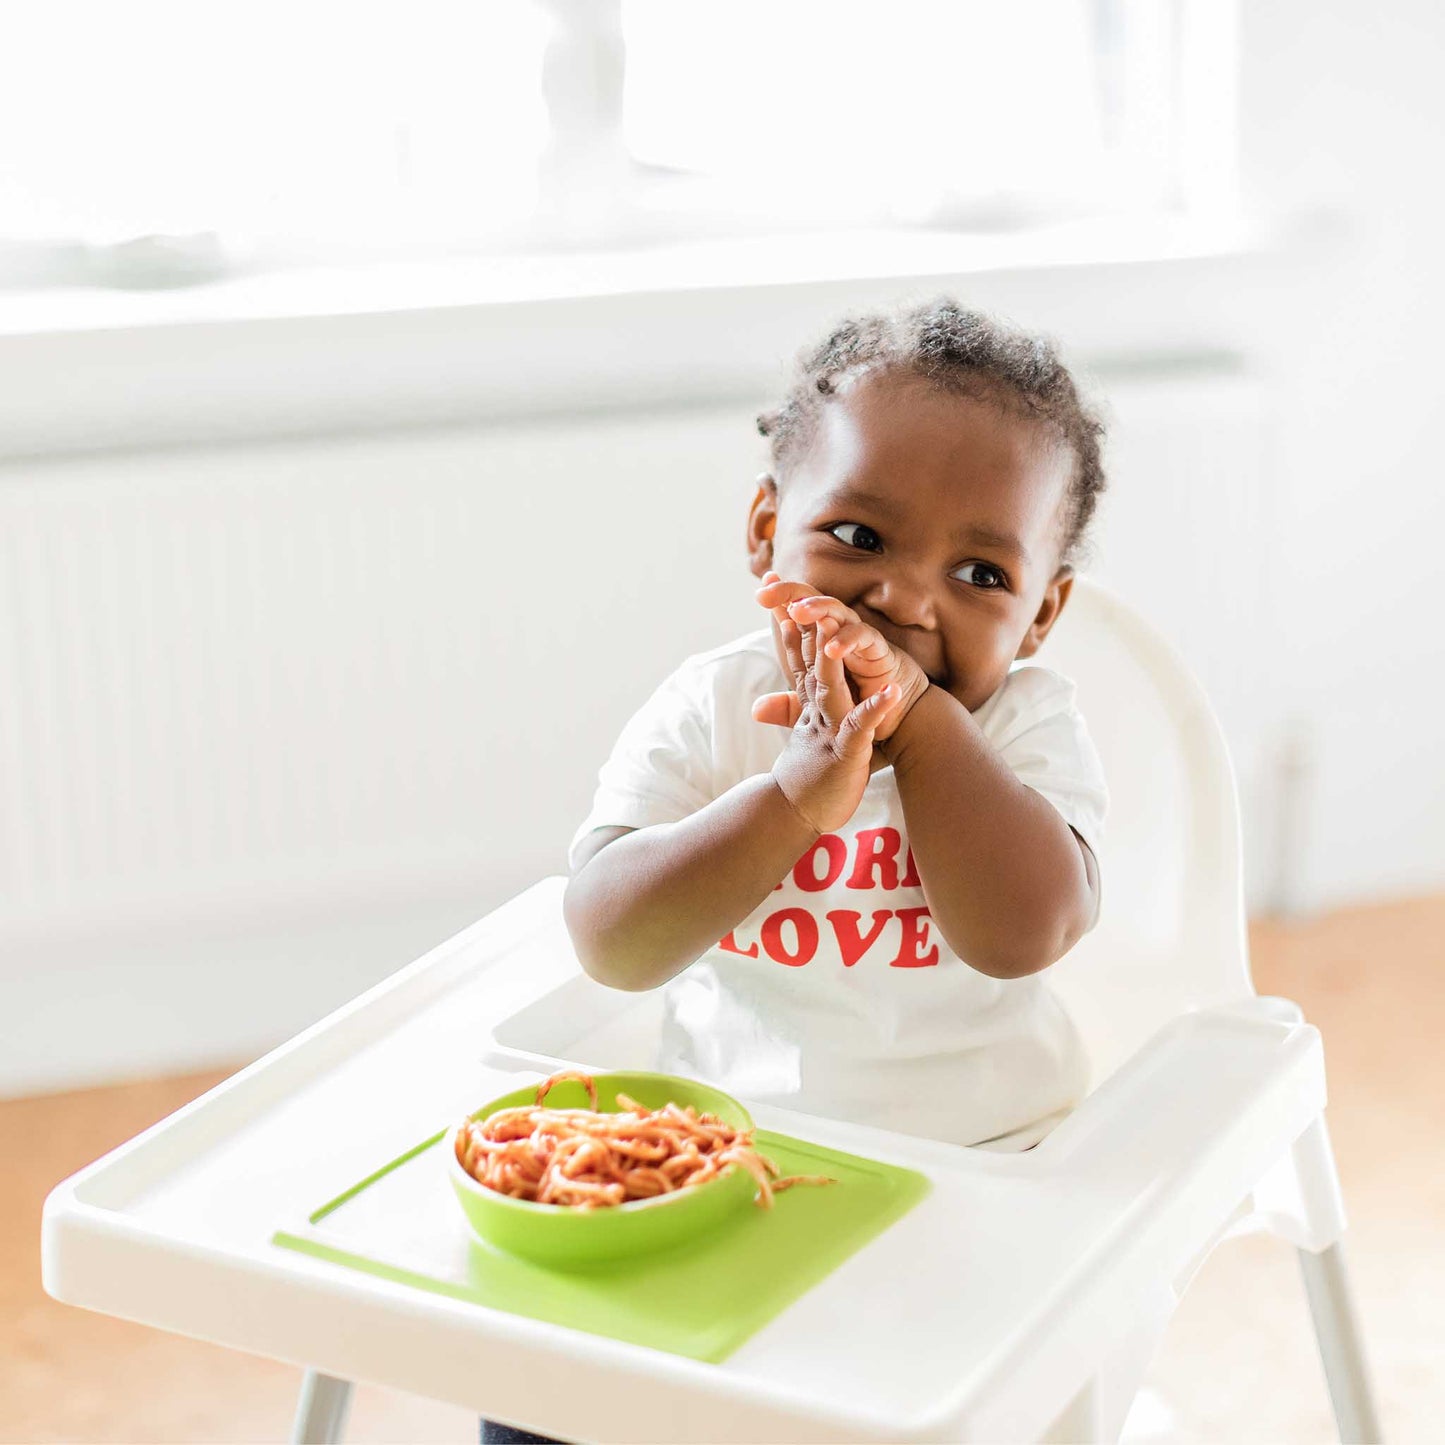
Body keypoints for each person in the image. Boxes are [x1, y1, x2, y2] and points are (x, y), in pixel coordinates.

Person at [481, 298, 1107, 1440]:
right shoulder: (717, 708)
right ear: (767, 527)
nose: (904, 602)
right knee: (531, 1380)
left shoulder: (1026, 728)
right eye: (858, 539)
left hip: (987, 1173)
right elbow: (612, 941)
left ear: (1042, 611)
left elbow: (1022, 929)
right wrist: (785, 797)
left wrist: (918, 728)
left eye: (977, 571)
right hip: (734, 1158)